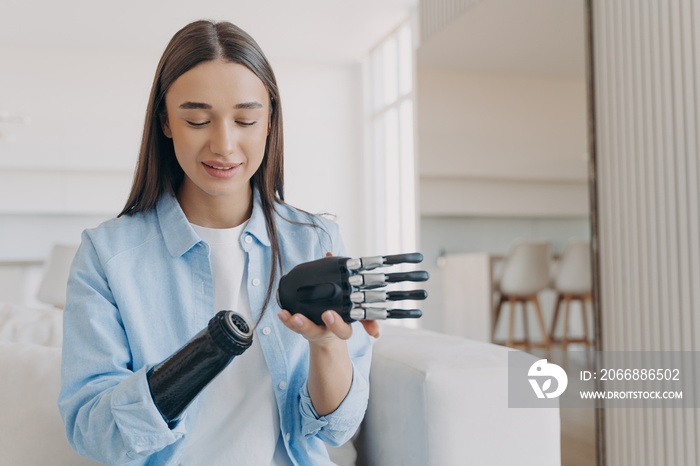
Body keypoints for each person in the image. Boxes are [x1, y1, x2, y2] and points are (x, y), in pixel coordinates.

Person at [58, 19, 376, 465]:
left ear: (269, 123)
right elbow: (94, 433)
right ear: (166, 122)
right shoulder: (107, 256)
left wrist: (328, 346)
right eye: (197, 119)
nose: (224, 144)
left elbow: (337, 428)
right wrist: (196, 361)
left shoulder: (316, 242)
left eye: (246, 119)